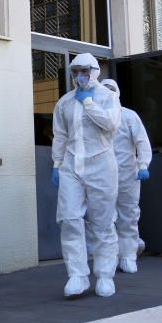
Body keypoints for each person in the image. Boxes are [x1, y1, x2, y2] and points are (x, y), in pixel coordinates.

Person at [52, 54, 122, 298]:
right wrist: (57, 163)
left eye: (83, 71)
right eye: (75, 72)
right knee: (70, 219)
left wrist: (89, 103)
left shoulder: (108, 97)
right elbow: (60, 134)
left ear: (94, 71)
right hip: (72, 165)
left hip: (101, 164)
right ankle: (77, 275)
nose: (78, 76)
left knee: (102, 222)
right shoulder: (65, 102)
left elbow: (111, 125)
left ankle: (104, 275)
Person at [101, 79, 151, 274]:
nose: (108, 94)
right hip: (102, 175)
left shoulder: (129, 116)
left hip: (127, 174)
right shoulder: (94, 117)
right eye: (104, 90)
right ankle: (110, 256)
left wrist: (143, 164)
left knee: (128, 215)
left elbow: (142, 141)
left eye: (111, 90)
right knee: (104, 217)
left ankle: (128, 255)